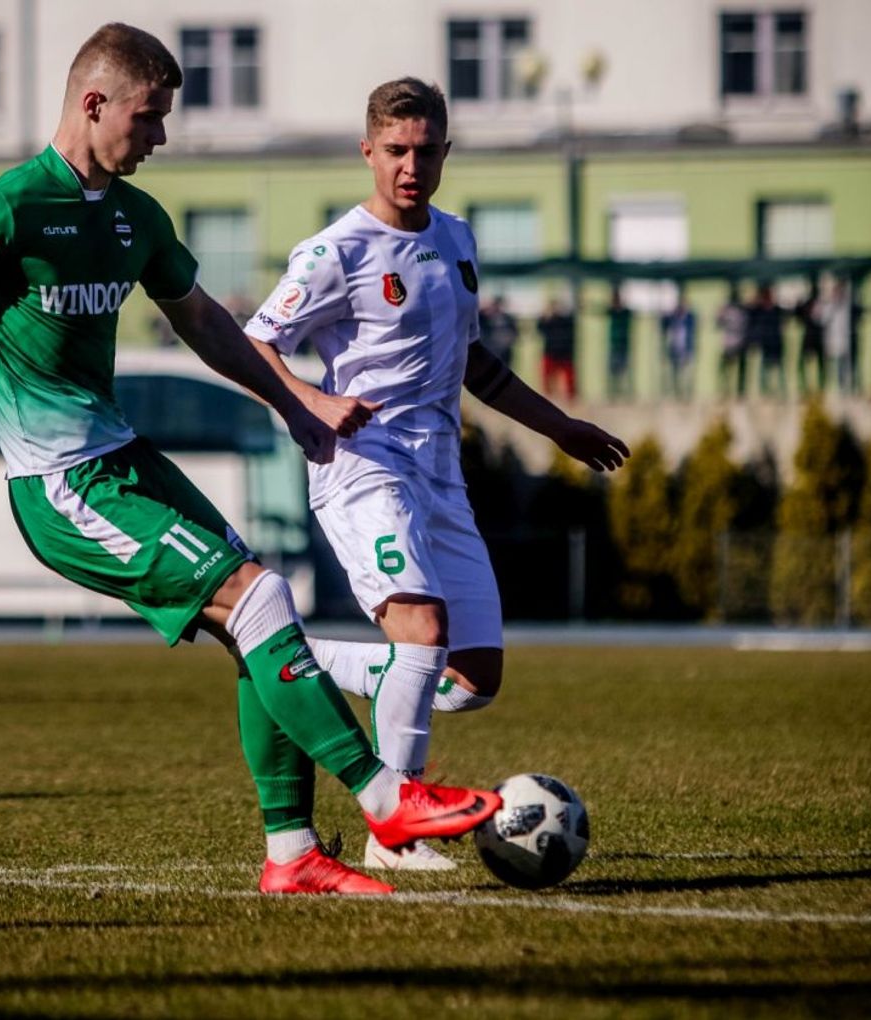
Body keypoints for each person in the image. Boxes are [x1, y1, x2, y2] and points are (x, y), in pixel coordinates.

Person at [0, 26, 500, 897]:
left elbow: (204, 322)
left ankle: (292, 855)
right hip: (61, 484)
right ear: (95, 103)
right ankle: (384, 797)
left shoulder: (137, 216)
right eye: (150, 116)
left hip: (123, 457)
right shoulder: (4, 206)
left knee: (259, 614)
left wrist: (296, 403)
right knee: (260, 599)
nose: (161, 136)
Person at [244, 77, 628, 871]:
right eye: (395, 150)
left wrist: (559, 426)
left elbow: (473, 363)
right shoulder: (335, 252)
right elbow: (254, 341)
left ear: (445, 153)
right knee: (420, 632)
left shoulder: (456, 239)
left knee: (472, 677)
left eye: (424, 151)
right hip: (364, 468)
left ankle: (290, 658)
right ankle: (396, 827)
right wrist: (312, 400)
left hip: (440, 475)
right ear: (368, 151)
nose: (410, 166)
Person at [745, 282, 784, 398]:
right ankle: (765, 394)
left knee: (779, 370)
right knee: (763, 372)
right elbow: (749, 310)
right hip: (764, 343)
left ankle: (779, 393)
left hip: (776, 343)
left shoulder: (776, 309)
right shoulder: (758, 310)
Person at [537, 296, 576, 400]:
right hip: (550, 352)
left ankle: (570, 397)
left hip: (564, 353)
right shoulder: (546, 321)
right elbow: (540, 329)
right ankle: (548, 396)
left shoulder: (566, 321)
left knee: (569, 378)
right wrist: (545, 317)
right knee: (546, 376)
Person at [659, 288, 696, 400]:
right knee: (674, 373)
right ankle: (676, 393)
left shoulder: (690, 317)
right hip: (674, 348)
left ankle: (687, 395)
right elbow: (663, 327)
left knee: (687, 373)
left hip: (687, 349)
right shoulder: (671, 317)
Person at [794, 280, 826, 396]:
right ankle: (806, 388)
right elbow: (798, 318)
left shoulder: (822, 304)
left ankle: (820, 387)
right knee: (804, 363)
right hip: (809, 338)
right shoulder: (808, 305)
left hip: (817, 338)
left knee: (821, 365)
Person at [716, 282, 747, 398]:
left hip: (737, 343)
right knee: (725, 369)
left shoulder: (740, 309)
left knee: (738, 371)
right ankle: (726, 390)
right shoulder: (728, 309)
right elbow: (718, 323)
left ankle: (738, 391)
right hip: (730, 343)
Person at [604, 285, 633, 399]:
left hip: (623, 344)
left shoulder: (625, 312)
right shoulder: (612, 311)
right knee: (613, 370)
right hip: (614, 344)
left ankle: (623, 392)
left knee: (624, 370)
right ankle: (613, 392)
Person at [478, 294, 518, 368]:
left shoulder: (508, 318)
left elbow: (514, 334)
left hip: (505, 352)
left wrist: (507, 341)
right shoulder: (485, 317)